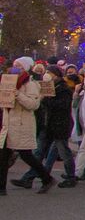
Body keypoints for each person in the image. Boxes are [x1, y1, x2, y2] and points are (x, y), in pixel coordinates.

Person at [1, 59, 57, 193]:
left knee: (26, 155)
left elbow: (33, 105)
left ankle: (47, 178)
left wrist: (17, 94)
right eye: (14, 66)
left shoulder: (30, 84)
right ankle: (1, 187)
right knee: (3, 156)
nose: (15, 68)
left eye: (19, 66)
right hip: (9, 125)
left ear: (25, 68)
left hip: (22, 125)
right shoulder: (10, 81)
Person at [15, 68, 77, 189]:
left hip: (60, 126)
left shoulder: (63, 89)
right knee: (39, 152)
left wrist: (47, 99)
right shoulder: (46, 88)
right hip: (48, 125)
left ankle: (70, 176)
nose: (47, 75)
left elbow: (63, 106)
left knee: (63, 152)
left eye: (50, 73)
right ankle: (30, 178)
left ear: (56, 75)